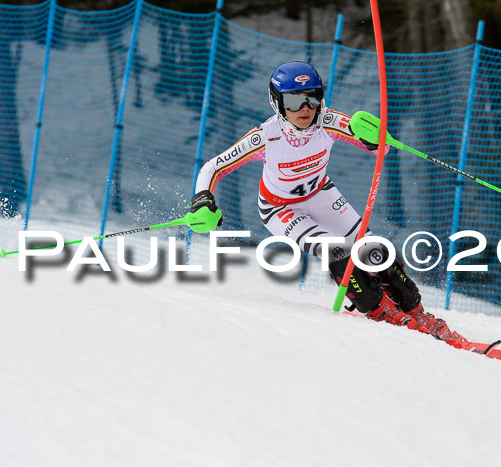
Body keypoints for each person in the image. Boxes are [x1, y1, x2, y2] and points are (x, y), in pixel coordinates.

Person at [190, 61, 464, 341]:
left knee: (370, 249)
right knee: (336, 250)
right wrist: (202, 199)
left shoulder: (328, 121)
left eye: (313, 97)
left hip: (321, 194)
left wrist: (375, 141)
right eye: (295, 100)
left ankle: (415, 310)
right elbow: (213, 167)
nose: (305, 108)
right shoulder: (265, 137)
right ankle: (380, 311)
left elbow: (380, 146)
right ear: (278, 102)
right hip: (280, 209)